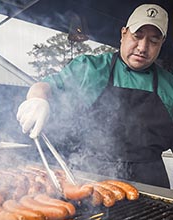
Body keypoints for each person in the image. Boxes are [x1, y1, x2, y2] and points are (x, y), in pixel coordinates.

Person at [17, 4, 173, 188]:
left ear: (161, 43)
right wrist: (37, 100)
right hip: (92, 174)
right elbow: (44, 86)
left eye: (153, 41)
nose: (142, 47)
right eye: (137, 36)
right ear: (123, 34)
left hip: (150, 181)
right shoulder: (89, 68)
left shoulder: (169, 85)